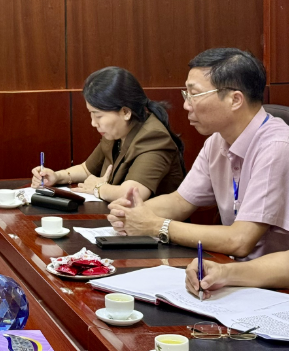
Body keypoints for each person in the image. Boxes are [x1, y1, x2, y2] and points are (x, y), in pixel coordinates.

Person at [108, 48, 289, 260]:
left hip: (268, 278)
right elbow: (180, 202)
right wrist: (131, 213)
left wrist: (156, 225)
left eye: (194, 94)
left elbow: (240, 240)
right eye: (186, 95)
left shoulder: (277, 147)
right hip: (229, 268)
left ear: (235, 100)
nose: (186, 105)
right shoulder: (216, 141)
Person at [32, 67, 185, 202]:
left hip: (153, 224)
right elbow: (87, 169)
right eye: (91, 114)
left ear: (125, 112)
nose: (93, 123)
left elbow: (133, 195)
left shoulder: (154, 137)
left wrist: (98, 188)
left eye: (98, 116)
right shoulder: (117, 132)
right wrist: (57, 176)